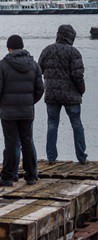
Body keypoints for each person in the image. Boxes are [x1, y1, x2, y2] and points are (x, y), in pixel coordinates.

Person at [0, 35, 44, 187]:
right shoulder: (33, 65)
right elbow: (40, 88)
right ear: (22, 47)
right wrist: (29, 102)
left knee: (11, 143)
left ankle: (7, 177)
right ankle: (31, 175)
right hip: (27, 111)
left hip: (8, 112)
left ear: (9, 48)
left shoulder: (1, 65)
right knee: (27, 141)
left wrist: (1, 104)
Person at [38, 24, 87, 164]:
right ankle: (81, 157)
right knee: (77, 124)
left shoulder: (47, 50)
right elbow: (78, 75)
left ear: (58, 35)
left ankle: (51, 157)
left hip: (52, 95)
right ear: (71, 37)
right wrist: (81, 90)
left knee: (52, 125)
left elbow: (38, 71)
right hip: (71, 96)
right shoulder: (74, 52)